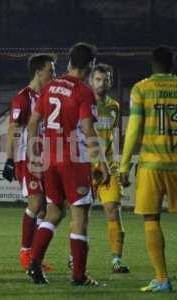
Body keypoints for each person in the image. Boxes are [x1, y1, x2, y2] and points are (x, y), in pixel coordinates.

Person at [27, 42, 109, 286]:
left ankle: (34, 263)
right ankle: (79, 276)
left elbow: (33, 123)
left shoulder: (50, 87)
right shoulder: (83, 92)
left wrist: (33, 155)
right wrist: (101, 162)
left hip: (49, 160)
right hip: (74, 162)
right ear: (90, 65)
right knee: (80, 217)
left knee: (53, 212)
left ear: (70, 61)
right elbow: (86, 127)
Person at [120, 46, 176, 293]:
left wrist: (123, 164)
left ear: (152, 65)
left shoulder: (141, 88)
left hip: (152, 165)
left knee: (151, 218)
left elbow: (133, 129)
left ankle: (162, 279)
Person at [3, 54, 56, 270]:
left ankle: (35, 257)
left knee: (45, 210)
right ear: (38, 72)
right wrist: (8, 159)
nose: (54, 74)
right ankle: (25, 253)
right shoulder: (23, 97)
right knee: (36, 204)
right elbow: (13, 129)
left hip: (48, 158)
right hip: (28, 158)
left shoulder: (49, 96)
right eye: (51, 70)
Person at [87, 63, 129, 273]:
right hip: (85, 167)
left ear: (110, 82)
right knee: (80, 214)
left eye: (106, 80)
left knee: (113, 211)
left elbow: (111, 137)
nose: (102, 83)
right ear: (91, 80)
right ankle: (73, 257)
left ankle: (116, 260)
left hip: (110, 167)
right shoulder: (83, 104)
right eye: (98, 79)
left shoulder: (114, 106)